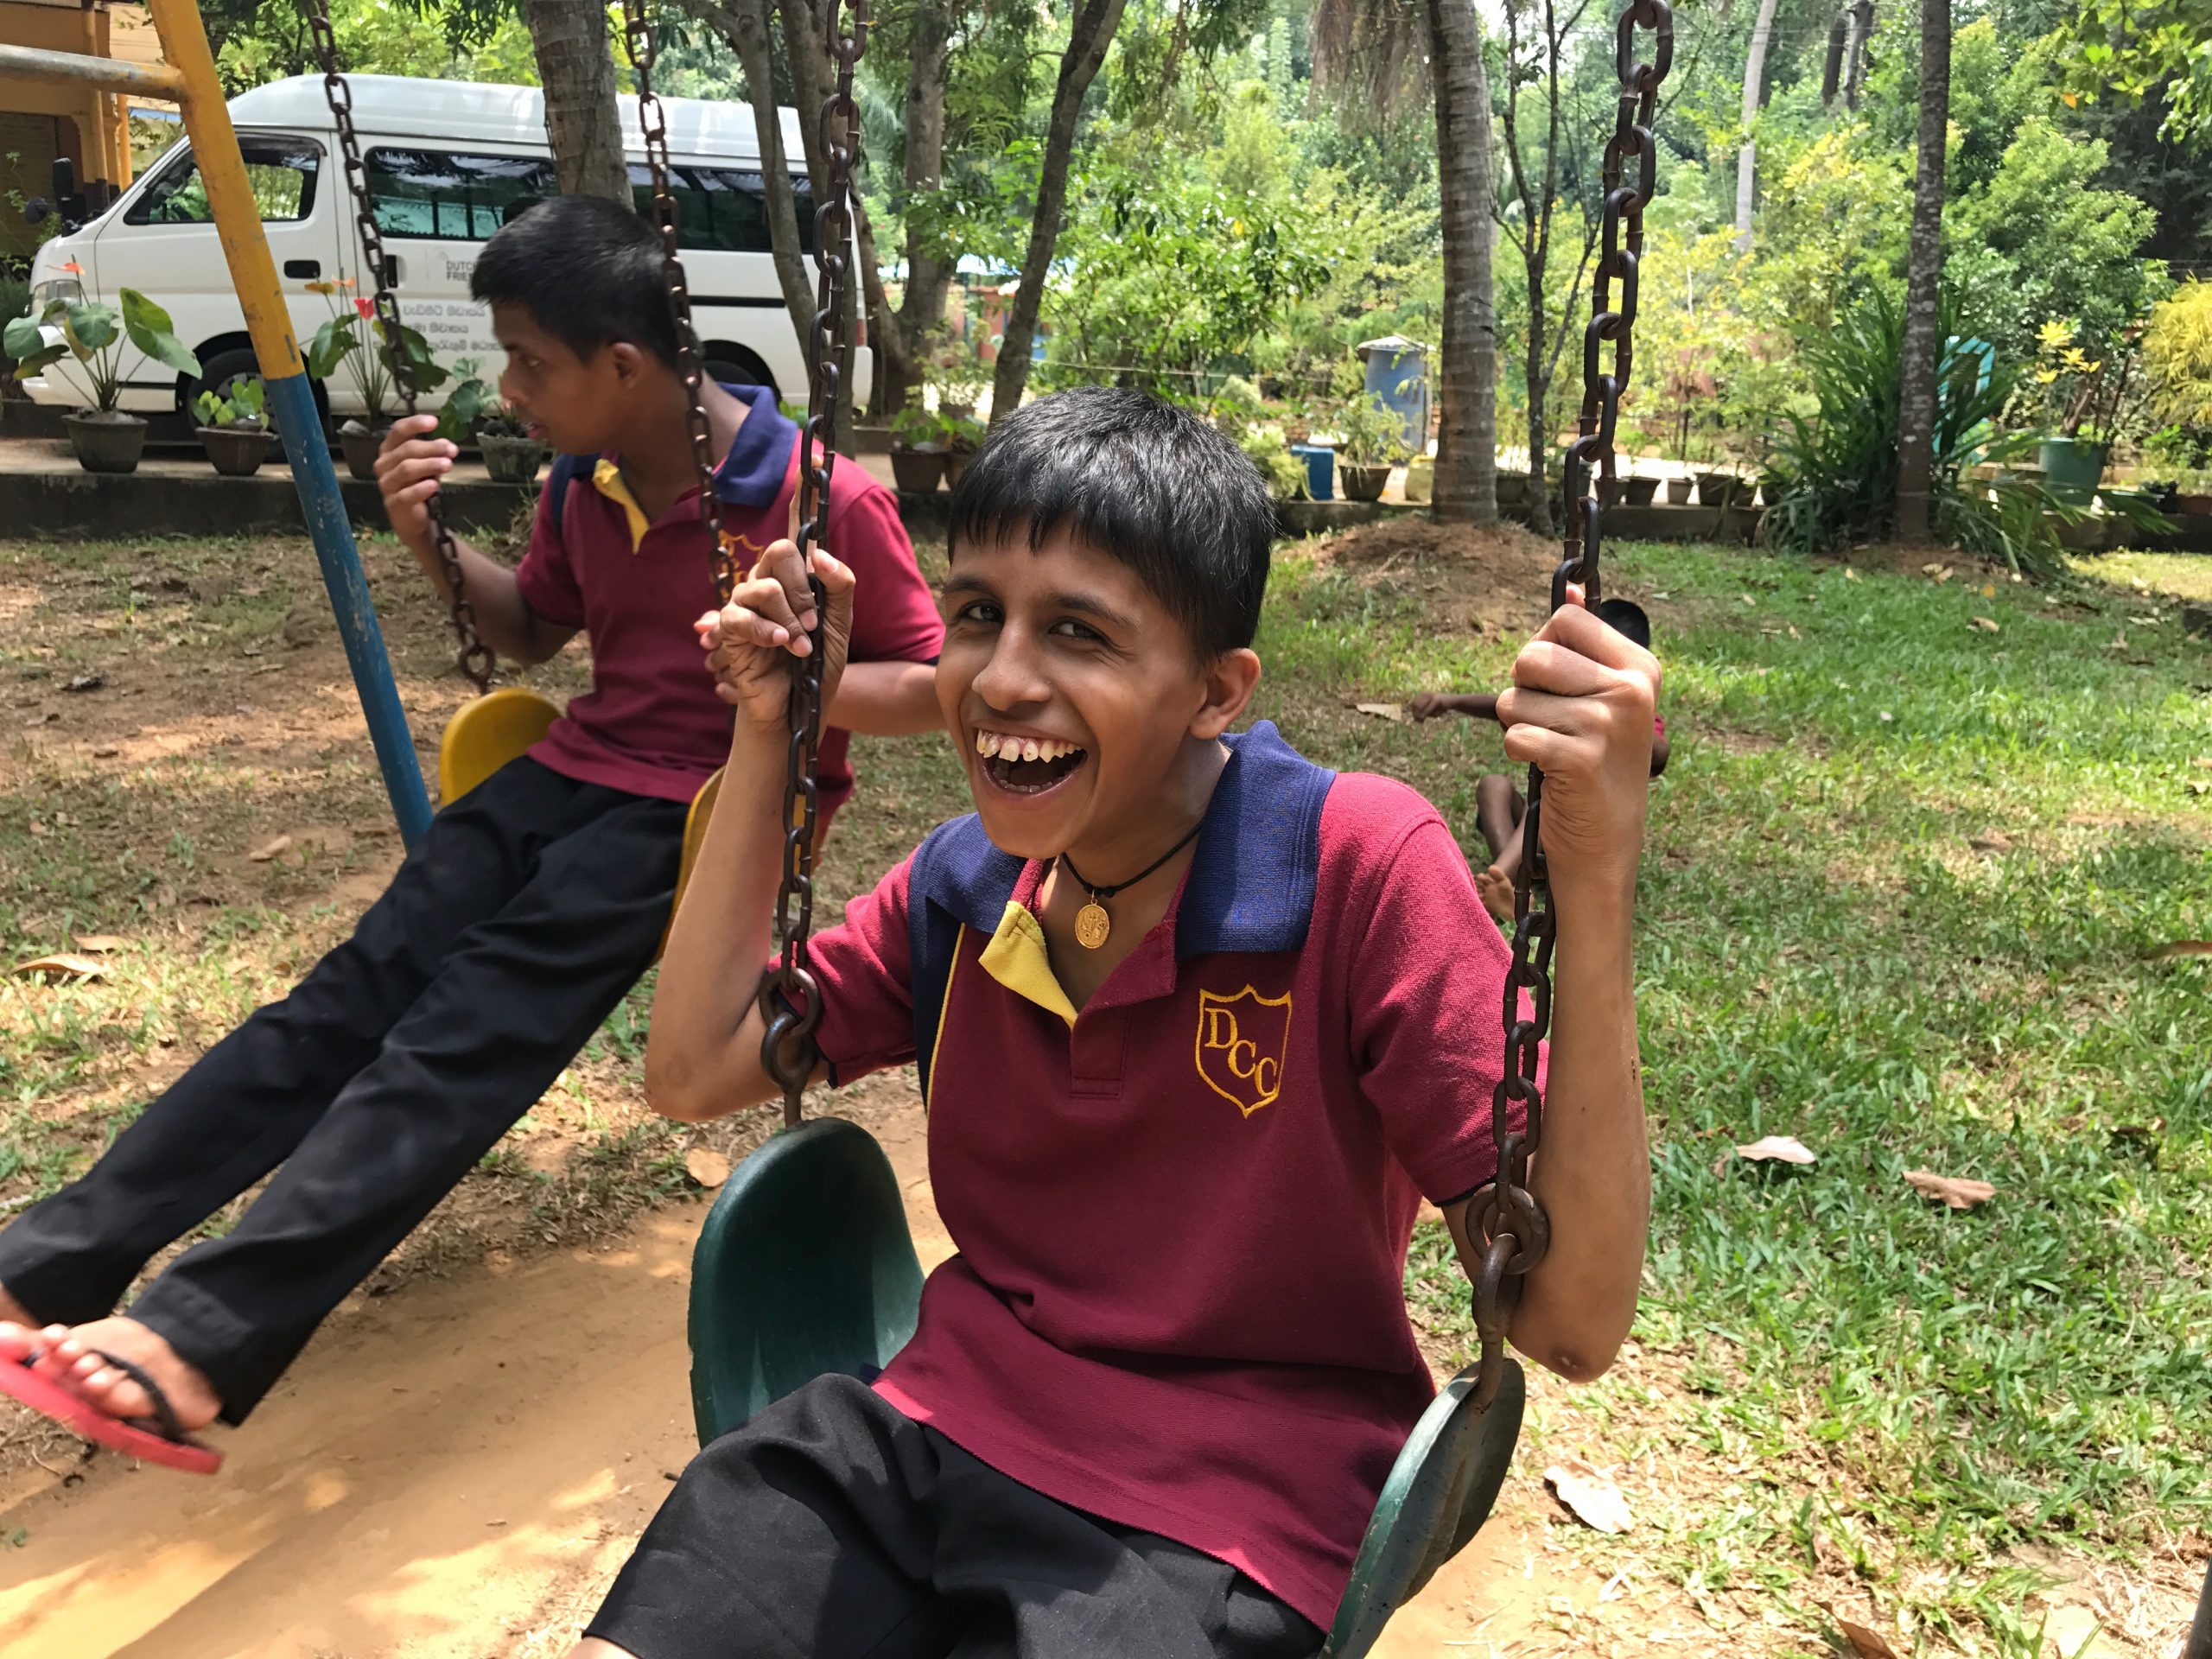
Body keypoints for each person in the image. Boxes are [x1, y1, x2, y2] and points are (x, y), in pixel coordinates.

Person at [573, 387, 1659, 1659]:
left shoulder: (1352, 867)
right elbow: (695, 1067)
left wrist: (1592, 883)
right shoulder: (963, 887)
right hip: (928, 1434)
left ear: (1214, 691)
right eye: (978, 616)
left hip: (1228, 1510)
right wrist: (773, 727)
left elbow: (1570, 1323)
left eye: (1079, 633)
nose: (1004, 680)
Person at [0, 194, 944, 1471]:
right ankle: (48, 1258)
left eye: (531, 363)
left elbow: (936, 684)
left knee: (455, 1043)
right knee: (343, 1001)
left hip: (703, 813)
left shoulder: (816, 499)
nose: (510, 390)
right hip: (567, 775)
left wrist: (794, 678)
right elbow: (533, 632)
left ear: (625, 366)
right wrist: (424, 537)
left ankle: (195, 1342)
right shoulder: (581, 479)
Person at [1410, 596, 1669, 923]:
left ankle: (1499, 884)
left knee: (1550, 799)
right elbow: (1506, 706)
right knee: (1494, 786)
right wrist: (1449, 701)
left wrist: (1629, 721)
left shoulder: (1637, 716)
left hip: (1588, 845)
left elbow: (1660, 755)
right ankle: (1507, 881)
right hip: (1540, 842)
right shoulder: (1568, 699)